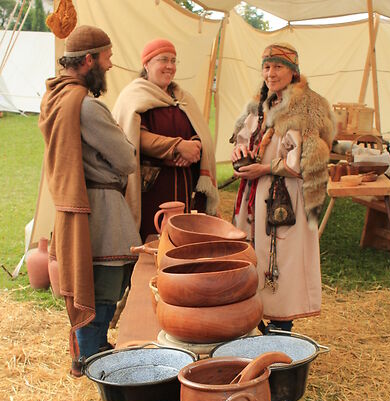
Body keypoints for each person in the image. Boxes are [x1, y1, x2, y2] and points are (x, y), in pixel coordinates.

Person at [39, 25, 140, 375]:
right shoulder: (86, 106)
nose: (110, 65)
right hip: (101, 211)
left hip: (77, 206)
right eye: (107, 57)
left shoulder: (54, 97)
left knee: (93, 282)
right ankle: (93, 357)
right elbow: (127, 159)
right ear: (88, 60)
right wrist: (125, 149)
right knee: (104, 286)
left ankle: (91, 352)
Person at [231, 43, 336, 332]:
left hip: (285, 200)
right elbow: (242, 137)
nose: (270, 72)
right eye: (266, 66)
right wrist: (240, 153)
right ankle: (257, 327)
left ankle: (280, 331)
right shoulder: (260, 103)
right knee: (254, 260)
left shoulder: (309, 106)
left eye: (278, 66)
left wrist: (265, 168)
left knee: (281, 268)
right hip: (256, 196)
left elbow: (305, 161)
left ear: (293, 71)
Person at [113, 38, 219, 242]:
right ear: (146, 64)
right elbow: (134, 137)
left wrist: (195, 146)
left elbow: (197, 130)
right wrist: (177, 147)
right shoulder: (133, 96)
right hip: (152, 188)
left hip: (184, 185)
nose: (170, 66)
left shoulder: (182, 97)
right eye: (163, 60)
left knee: (182, 239)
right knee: (154, 239)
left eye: (173, 61)